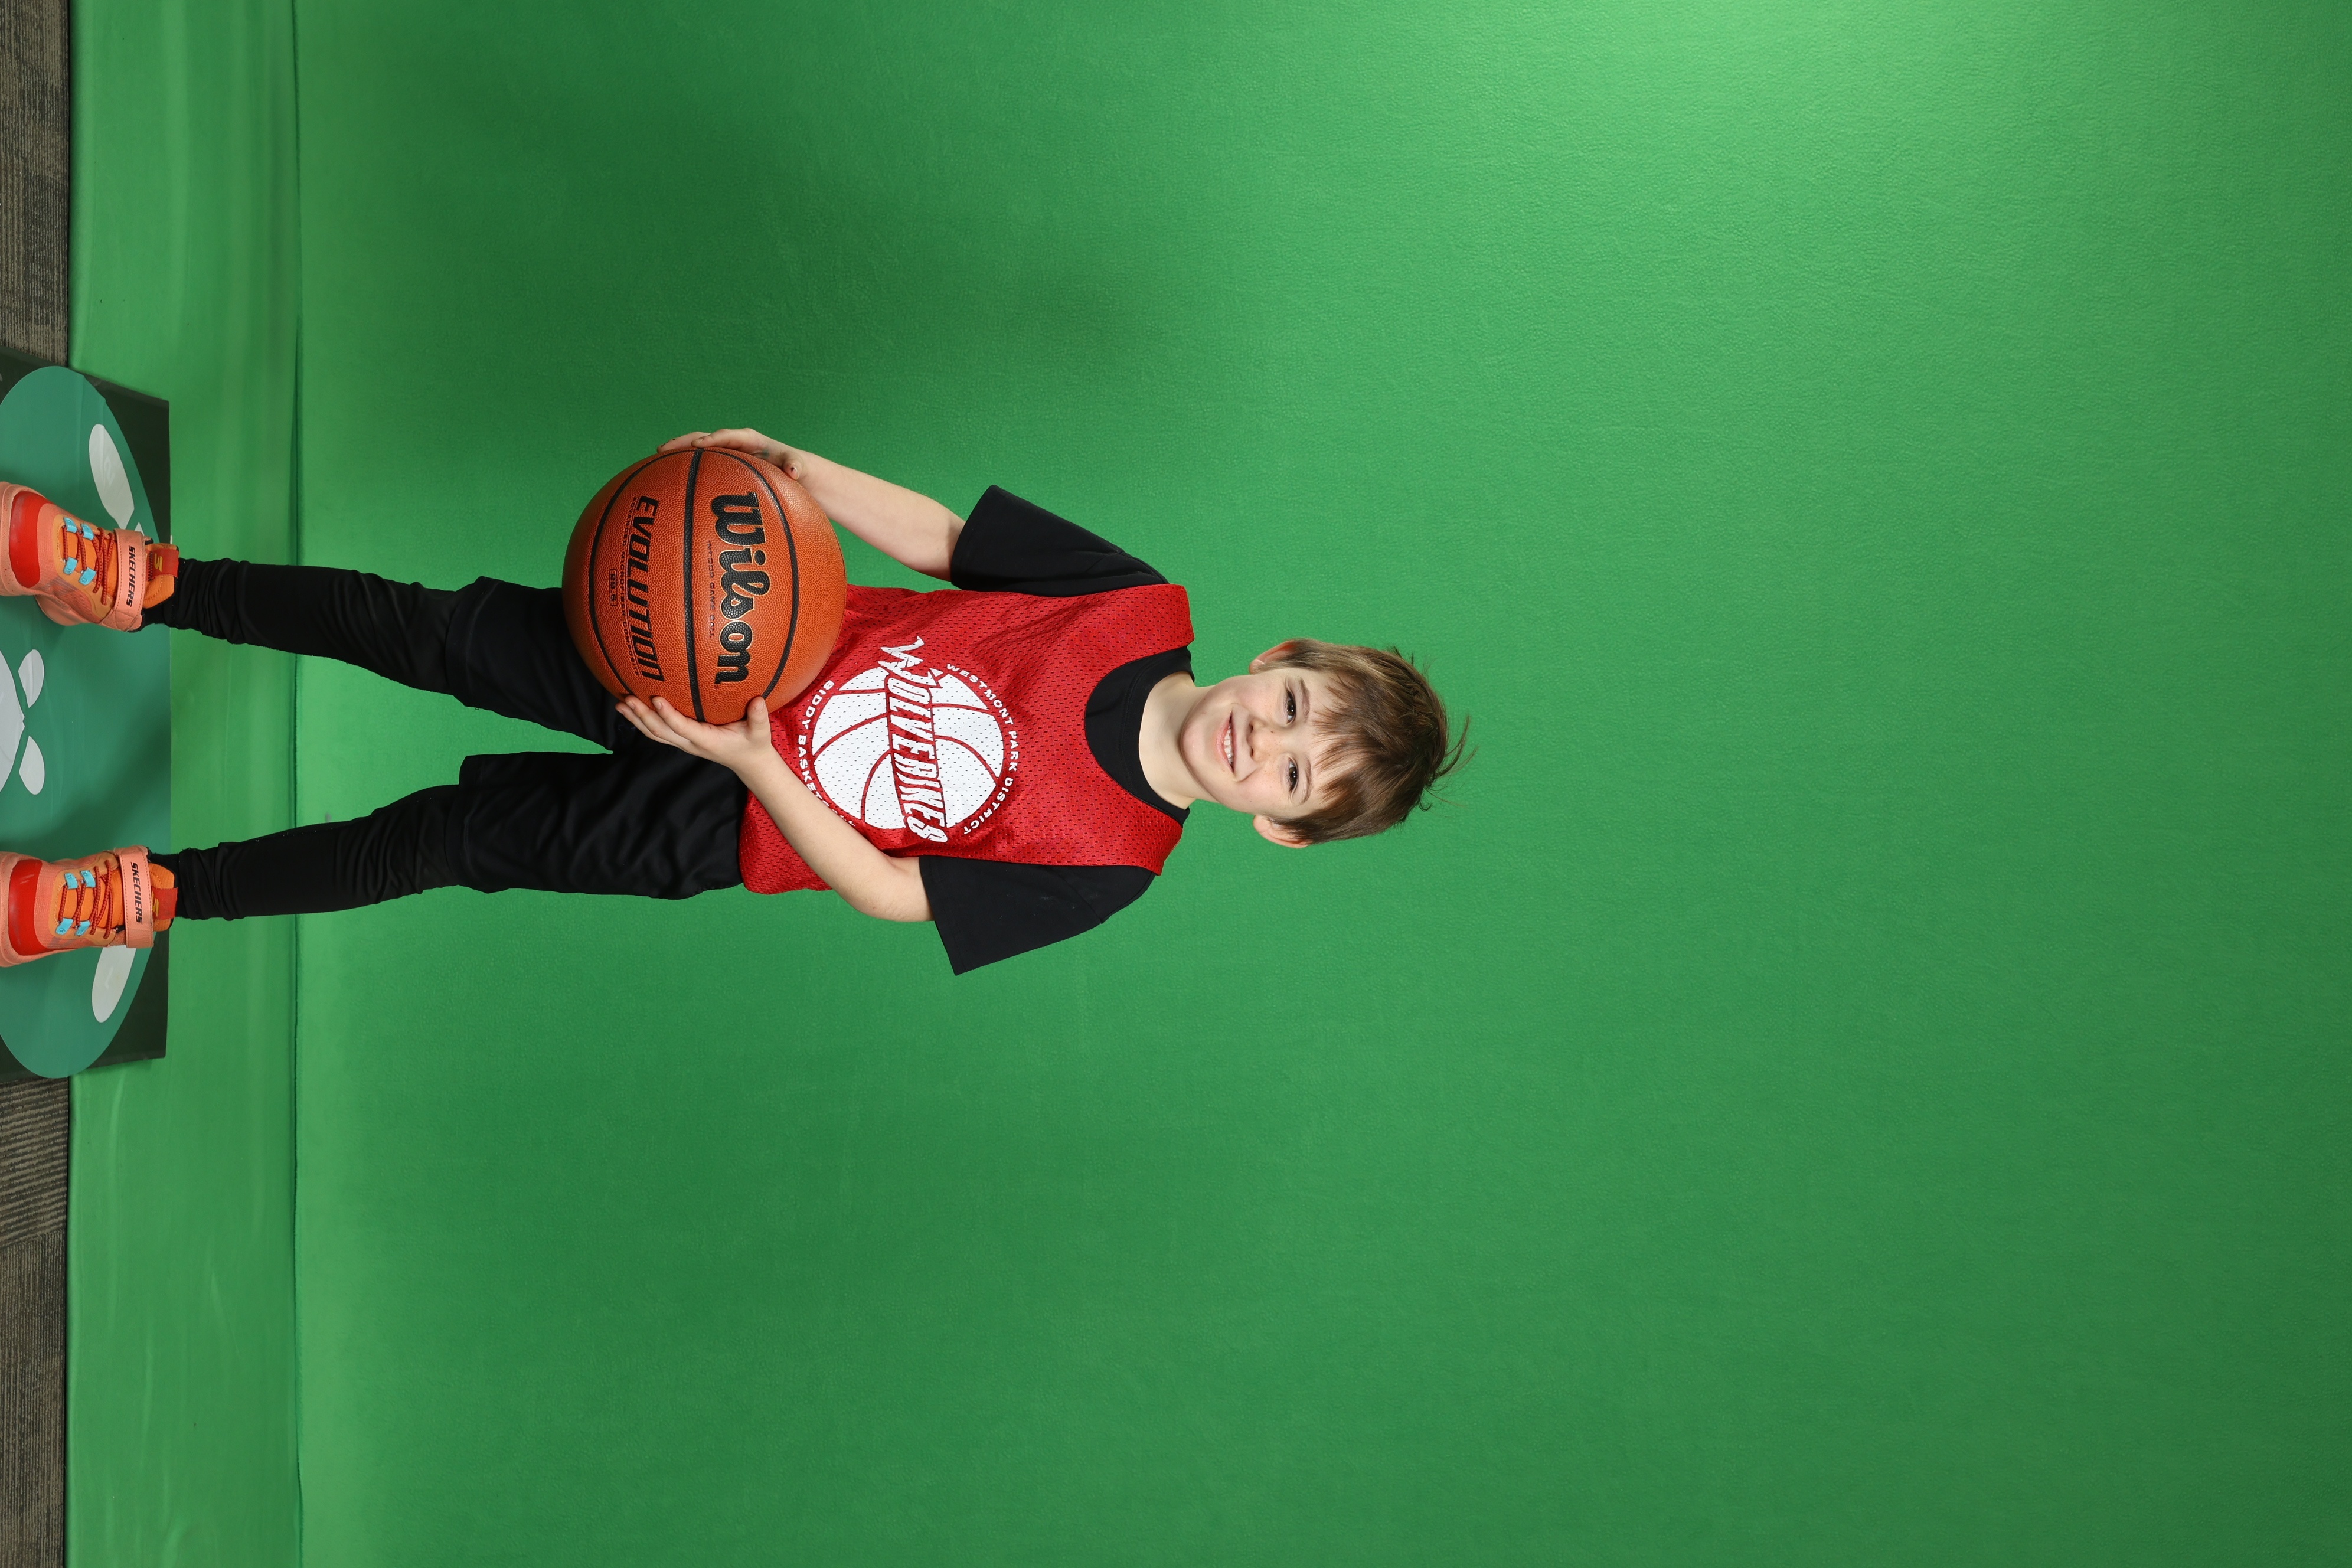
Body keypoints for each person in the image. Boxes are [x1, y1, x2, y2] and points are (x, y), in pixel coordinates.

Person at [0, 429, 1467, 974]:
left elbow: (893, 892)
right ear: (1281, 652)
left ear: (1279, 828)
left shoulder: (1111, 864)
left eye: (1293, 774)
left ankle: (147, 895)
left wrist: (756, 765)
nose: (1264, 740)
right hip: (717, 643)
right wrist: (800, 474)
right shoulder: (1136, 606)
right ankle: (144, 582)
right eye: (1293, 703)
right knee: (430, 630)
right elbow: (949, 542)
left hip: (724, 820)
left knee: (441, 837)